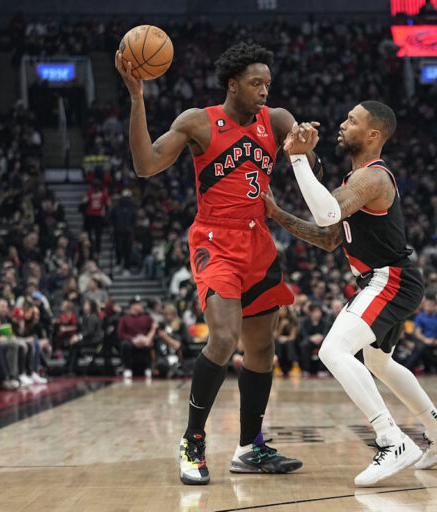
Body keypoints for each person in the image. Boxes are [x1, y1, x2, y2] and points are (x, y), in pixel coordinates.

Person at [116, 42, 312, 484]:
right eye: (255, 83)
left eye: (267, 83)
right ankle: (192, 441)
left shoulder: (277, 120)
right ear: (232, 85)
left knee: (262, 349)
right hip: (214, 241)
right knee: (223, 338)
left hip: (259, 241)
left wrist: (305, 148)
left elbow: (307, 165)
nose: (264, 90)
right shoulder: (197, 122)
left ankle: (250, 448)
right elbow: (146, 164)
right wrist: (136, 99)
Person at [262, 101, 437, 486]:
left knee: (332, 350)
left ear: (373, 135)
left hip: (389, 279)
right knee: (379, 364)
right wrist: (277, 215)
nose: (342, 124)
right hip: (388, 280)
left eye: (352, 121)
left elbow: (326, 215)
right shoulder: (354, 181)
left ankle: (393, 441)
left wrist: (299, 159)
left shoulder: (373, 179)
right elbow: (327, 237)